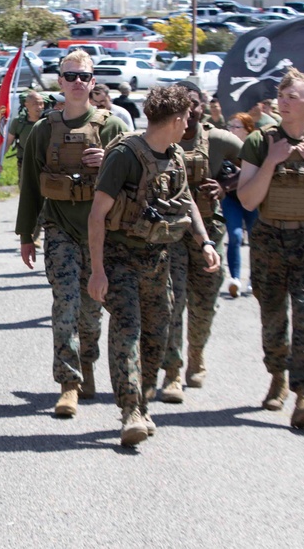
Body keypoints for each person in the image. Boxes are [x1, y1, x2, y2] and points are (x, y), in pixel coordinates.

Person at [88, 85, 220, 446]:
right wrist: (97, 271)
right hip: (120, 257)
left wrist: (204, 241)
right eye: (187, 118)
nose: (190, 123)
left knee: (157, 335)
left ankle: (143, 402)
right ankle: (129, 410)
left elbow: (187, 199)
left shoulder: (175, 153)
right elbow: (97, 214)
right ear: (177, 119)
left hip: (158, 258)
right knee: (127, 330)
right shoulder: (125, 155)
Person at [16, 49, 128, 417]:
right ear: (60, 82)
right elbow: (30, 185)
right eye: (70, 76)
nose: (77, 82)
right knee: (65, 303)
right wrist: (26, 235)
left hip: (101, 232)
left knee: (92, 307)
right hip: (60, 228)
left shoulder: (113, 128)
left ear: (93, 82)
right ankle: (68, 383)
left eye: (84, 76)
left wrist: (109, 159)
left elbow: (134, 181)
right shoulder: (42, 130)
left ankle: (89, 364)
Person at [237, 67, 304, 430]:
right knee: (273, 316)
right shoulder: (261, 141)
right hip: (269, 238)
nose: (284, 102)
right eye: (281, 96)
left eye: (292, 97)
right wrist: (272, 160)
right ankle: (277, 376)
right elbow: (248, 200)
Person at [159, 80, 242, 403]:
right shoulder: (162, 139)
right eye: (182, 103)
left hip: (210, 232)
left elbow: (257, 161)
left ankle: (197, 354)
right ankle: (173, 371)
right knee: (173, 301)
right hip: (173, 233)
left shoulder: (219, 140)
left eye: (193, 102)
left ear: (202, 105)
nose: (189, 109)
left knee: (204, 303)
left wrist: (227, 184)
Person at [222, 113, 259, 296]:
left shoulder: (256, 147)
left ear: (248, 130)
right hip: (231, 199)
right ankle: (235, 278)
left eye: (237, 127)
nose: (232, 130)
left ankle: (254, 278)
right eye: (231, 126)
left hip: (252, 199)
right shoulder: (225, 147)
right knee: (235, 236)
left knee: (256, 239)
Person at [4, 90, 45, 173]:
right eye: (35, 104)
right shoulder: (19, 122)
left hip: (43, 163)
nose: (39, 107)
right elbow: (8, 141)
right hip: (24, 162)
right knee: (24, 185)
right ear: (27, 105)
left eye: (41, 104)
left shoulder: (47, 121)